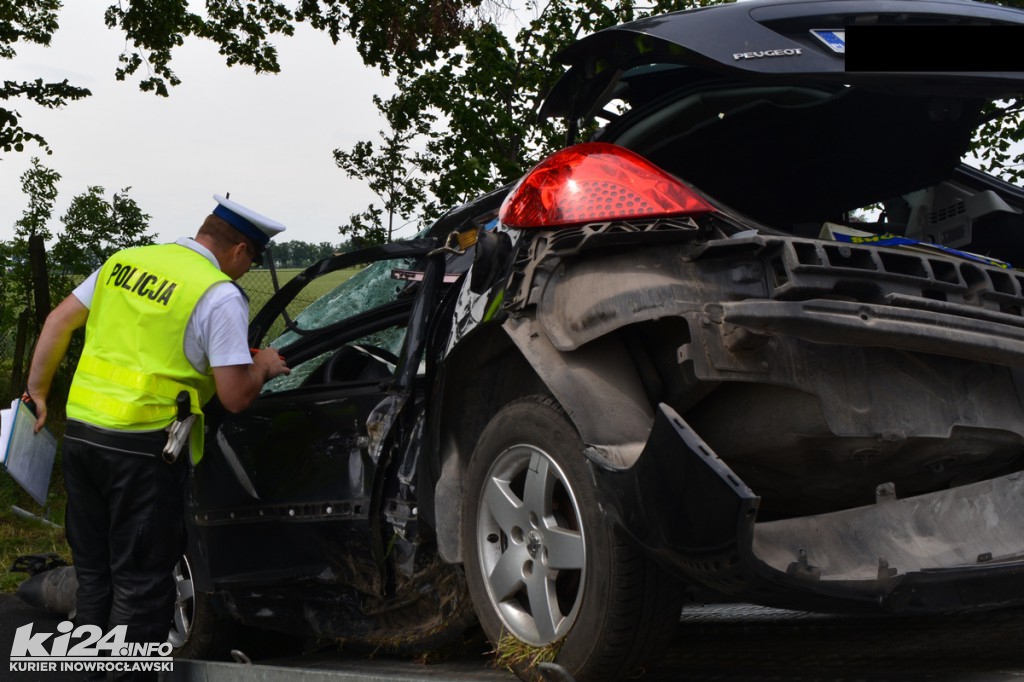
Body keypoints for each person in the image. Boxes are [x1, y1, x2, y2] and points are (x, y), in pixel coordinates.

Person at [25, 195, 291, 681]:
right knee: (142, 589)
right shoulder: (219, 294)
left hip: (83, 440)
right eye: (250, 259)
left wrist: (37, 392)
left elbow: (58, 322)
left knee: (95, 579)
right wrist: (264, 366)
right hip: (144, 454)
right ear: (240, 252)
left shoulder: (124, 262)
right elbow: (234, 396)